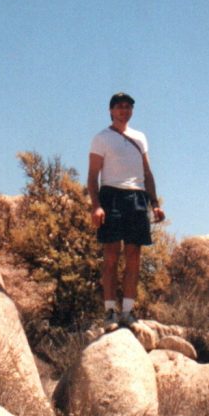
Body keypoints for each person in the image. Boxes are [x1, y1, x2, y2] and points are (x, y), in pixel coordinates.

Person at [87, 92, 165, 331]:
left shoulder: (140, 137)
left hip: (137, 197)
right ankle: (110, 310)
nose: (124, 110)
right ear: (111, 111)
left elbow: (147, 172)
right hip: (112, 195)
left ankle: (128, 311)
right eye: (119, 107)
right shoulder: (101, 138)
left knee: (134, 256)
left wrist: (154, 203)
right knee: (111, 256)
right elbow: (92, 175)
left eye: (128, 107)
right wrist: (97, 205)